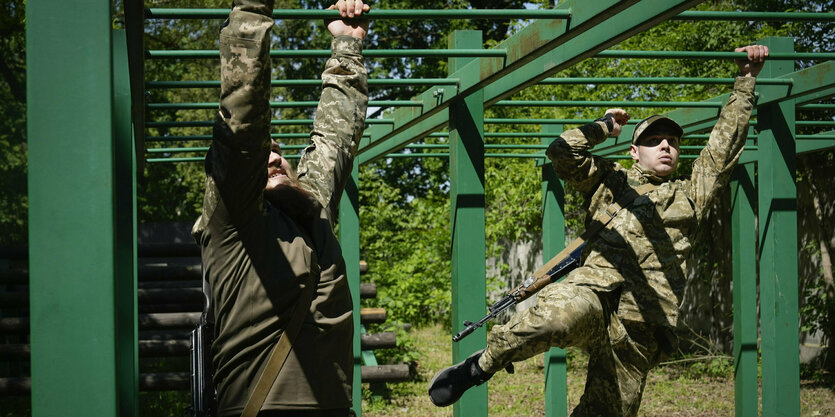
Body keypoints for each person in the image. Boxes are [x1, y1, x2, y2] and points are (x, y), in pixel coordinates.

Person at [428, 45, 769, 416]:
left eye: (672, 141)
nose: (666, 146)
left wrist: (746, 81)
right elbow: (561, 151)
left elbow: (724, 147)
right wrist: (605, 126)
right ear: (635, 151)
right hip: (593, 293)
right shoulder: (612, 181)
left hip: (642, 327)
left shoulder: (690, 196)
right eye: (654, 141)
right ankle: (481, 366)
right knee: (556, 317)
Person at [191, 0, 370, 415]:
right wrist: (253, 8)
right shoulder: (232, 226)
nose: (271, 156)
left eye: (278, 152)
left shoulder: (310, 208)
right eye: (261, 155)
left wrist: (347, 43)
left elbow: (335, 136)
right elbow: (242, 116)